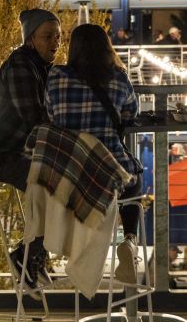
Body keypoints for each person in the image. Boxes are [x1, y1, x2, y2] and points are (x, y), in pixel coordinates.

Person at [0, 8, 60, 285]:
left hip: (10, 153)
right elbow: (35, 117)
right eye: (48, 36)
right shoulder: (21, 65)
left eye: (59, 37)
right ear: (30, 39)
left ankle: (33, 255)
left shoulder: (40, 67)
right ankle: (29, 256)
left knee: (54, 182)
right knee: (51, 183)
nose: (55, 42)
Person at [45, 23, 144, 284]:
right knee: (134, 180)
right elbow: (130, 115)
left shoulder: (56, 76)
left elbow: (52, 115)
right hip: (109, 173)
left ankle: (81, 252)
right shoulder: (119, 78)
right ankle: (130, 242)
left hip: (70, 176)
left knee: (124, 177)